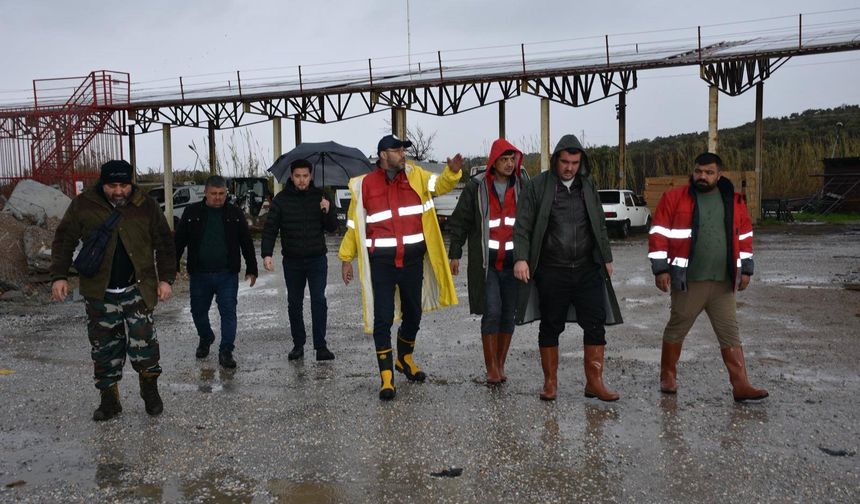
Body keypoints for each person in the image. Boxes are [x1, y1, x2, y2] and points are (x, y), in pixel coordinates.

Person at [50, 160, 176, 421]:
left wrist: (166, 279)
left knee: (145, 346)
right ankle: (109, 401)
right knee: (103, 348)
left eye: (123, 185)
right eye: (112, 186)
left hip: (137, 290)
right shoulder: (83, 204)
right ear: (102, 183)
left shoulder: (146, 205)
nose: (118, 191)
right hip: (100, 292)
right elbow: (64, 240)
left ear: (131, 183)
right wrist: (59, 276)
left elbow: (164, 242)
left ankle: (150, 393)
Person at [339, 134, 462, 400]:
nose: (403, 154)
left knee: (414, 314)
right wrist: (346, 258)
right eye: (397, 150)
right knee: (381, 319)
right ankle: (386, 378)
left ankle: (404, 359)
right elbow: (354, 225)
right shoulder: (364, 186)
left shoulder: (416, 175)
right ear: (383, 155)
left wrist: (452, 173)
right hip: (381, 264)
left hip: (412, 261)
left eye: (403, 150)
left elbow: (440, 184)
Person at [649, 152, 768, 402]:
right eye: (699, 171)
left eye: (709, 172)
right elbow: (658, 233)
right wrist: (660, 269)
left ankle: (741, 385)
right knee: (677, 328)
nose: (702, 176)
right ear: (693, 172)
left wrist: (746, 269)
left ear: (719, 174)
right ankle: (667, 375)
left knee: (730, 333)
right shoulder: (673, 198)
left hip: (723, 282)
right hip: (689, 281)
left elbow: (744, 236)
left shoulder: (734, 201)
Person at [513, 134, 623, 402]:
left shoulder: (587, 186)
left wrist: (606, 258)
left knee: (595, 325)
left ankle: (594, 382)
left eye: (574, 162)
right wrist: (521, 258)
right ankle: (550, 383)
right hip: (552, 270)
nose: (569, 167)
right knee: (551, 325)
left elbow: (598, 224)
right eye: (564, 162)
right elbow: (523, 225)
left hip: (587, 269)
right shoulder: (538, 186)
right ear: (555, 160)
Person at [447, 138, 527, 385]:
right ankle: (491, 367)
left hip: (514, 263)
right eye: (504, 159)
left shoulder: (524, 185)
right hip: (488, 264)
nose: (509, 164)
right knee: (492, 311)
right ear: (494, 162)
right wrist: (455, 252)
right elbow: (460, 221)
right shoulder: (477, 187)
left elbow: (533, 221)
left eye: (512, 159)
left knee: (509, 314)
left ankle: (500, 364)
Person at [174, 175, 258, 369]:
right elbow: (178, 242)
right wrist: (173, 267)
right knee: (197, 311)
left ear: (226, 193)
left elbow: (246, 242)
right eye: (214, 194)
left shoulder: (235, 213)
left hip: (227, 274)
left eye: (221, 194)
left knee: (228, 312)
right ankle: (206, 337)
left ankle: (226, 351)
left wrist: (252, 268)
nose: (218, 197)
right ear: (206, 193)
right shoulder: (191, 212)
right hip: (199, 274)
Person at [262, 159, 339, 361]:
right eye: (298, 176)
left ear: (311, 176)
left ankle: (321, 346)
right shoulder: (280, 200)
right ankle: (298, 345)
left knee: (319, 300)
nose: (302, 180)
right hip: (293, 261)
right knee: (294, 303)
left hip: (317, 259)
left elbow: (332, 228)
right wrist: (266, 254)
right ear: (291, 176)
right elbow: (270, 228)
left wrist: (327, 209)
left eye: (305, 176)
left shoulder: (321, 197)